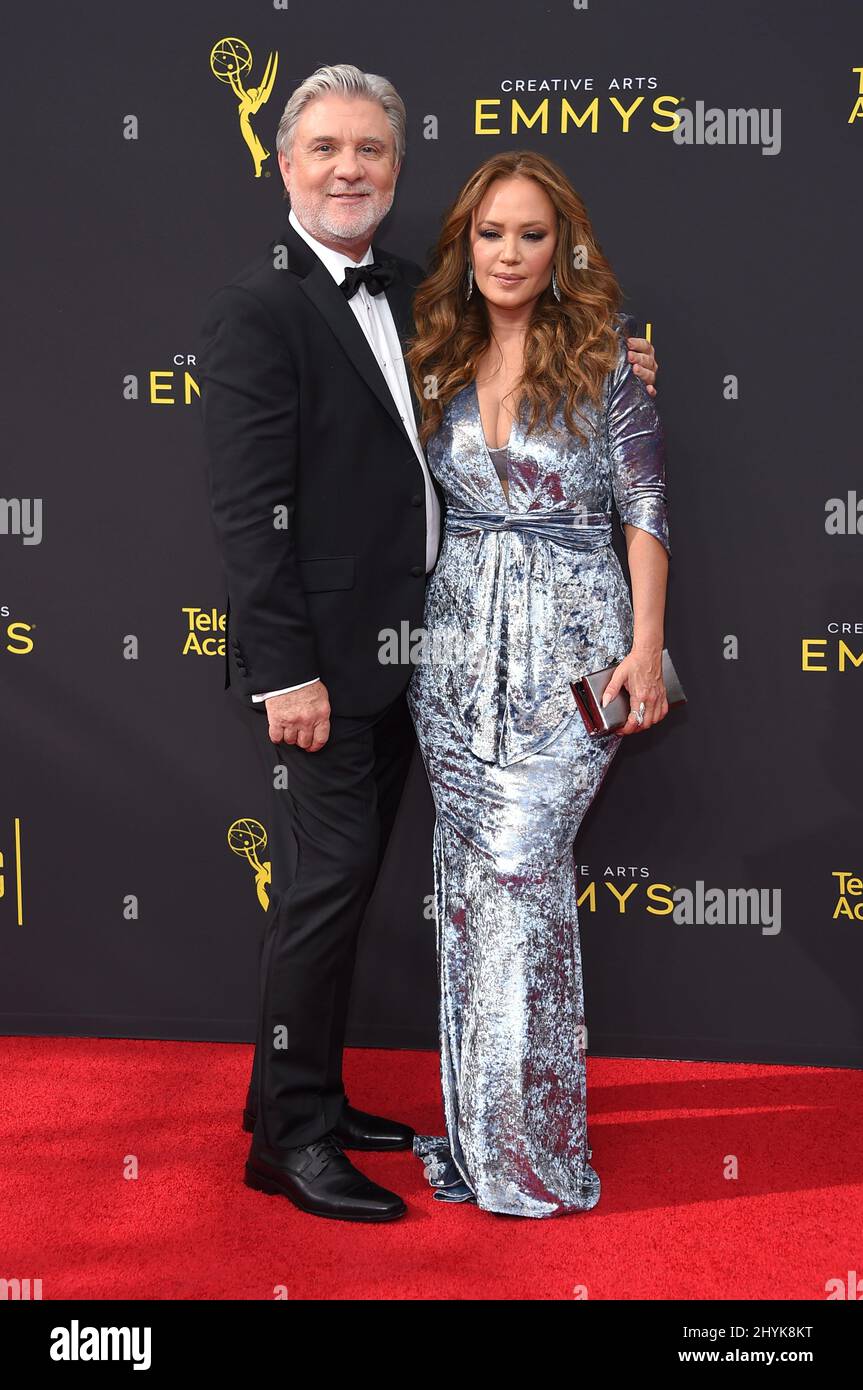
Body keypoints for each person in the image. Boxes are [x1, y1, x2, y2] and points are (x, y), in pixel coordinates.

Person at [199, 64, 659, 1224]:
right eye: (325, 149)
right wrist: (285, 670)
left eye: (370, 151)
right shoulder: (257, 312)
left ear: (396, 172)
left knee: (356, 891)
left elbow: (539, 342)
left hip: (436, 663)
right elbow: (247, 514)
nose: (348, 168)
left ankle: (306, 1095)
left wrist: (622, 372)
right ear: (283, 161)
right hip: (322, 670)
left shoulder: (420, 298)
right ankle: (287, 1140)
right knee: (322, 891)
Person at [404, 150, 671, 1217]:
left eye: (529, 234)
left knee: (517, 873)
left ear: (562, 250)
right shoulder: (430, 359)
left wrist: (645, 647)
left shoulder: (607, 359)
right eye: (489, 234)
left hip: (575, 658)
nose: (507, 253)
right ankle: (490, 1140)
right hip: (453, 658)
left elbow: (645, 509)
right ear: (463, 247)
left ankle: (523, 1156)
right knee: (476, 899)